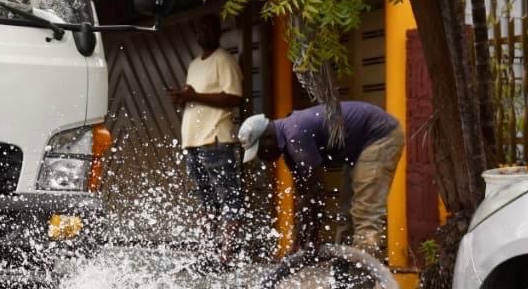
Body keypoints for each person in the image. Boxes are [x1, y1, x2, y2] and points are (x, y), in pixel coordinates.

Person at [237, 101, 404, 257]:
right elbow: (304, 195)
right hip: (358, 147)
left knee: (364, 213)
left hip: (380, 136)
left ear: (267, 137)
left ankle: (364, 273)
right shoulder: (288, 144)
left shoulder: (295, 135)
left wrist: (311, 240)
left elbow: (317, 191)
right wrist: (299, 242)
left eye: (259, 150)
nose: (261, 157)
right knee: (345, 215)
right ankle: (342, 271)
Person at [168, 15, 245, 263]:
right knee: (205, 198)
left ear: (218, 32)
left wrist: (195, 96)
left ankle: (227, 253)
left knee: (229, 196)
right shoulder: (194, 65)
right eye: (200, 29)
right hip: (192, 140)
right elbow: (196, 96)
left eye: (209, 28)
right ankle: (206, 251)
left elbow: (234, 97)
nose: (204, 33)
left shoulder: (224, 59)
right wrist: (183, 98)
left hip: (215, 138)